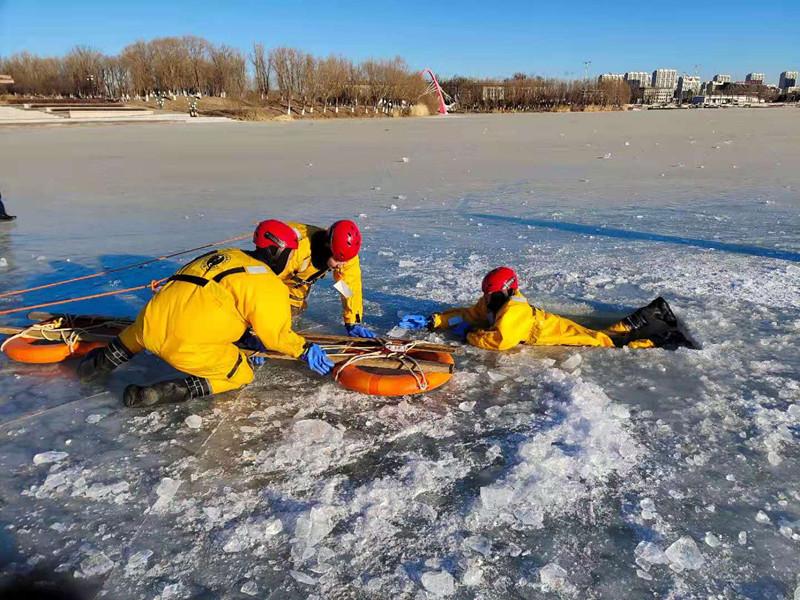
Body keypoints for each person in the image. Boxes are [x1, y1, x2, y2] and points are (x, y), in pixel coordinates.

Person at [77, 220, 334, 407]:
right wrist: (304, 349)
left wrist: (244, 333)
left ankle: (96, 366)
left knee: (143, 330)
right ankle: (163, 392)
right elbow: (276, 336)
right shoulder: (269, 285)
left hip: (147, 323)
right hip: (186, 347)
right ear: (281, 253)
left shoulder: (222, 255)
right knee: (241, 374)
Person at [398, 266, 695, 351]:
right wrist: (435, 320)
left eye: (493, 293)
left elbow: (500, 341)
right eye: (487, 294)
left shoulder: (513, 311)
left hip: (549, 331)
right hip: (547, 325)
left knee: (602, 340)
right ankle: (649, 315)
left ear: (509, 289)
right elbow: (469, 314)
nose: (488, 299)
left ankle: (660, 336)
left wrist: (470, 335)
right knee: (597, 334)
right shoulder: (491, 302)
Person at [278, 219, 376, 338]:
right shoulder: (296, 251)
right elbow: (261, 284)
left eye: (344, 261)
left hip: (298, 281)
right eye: (338, 260)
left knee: (291, 312)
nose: (342, 265)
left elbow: (348, 289)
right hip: (275, 273)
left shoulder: (346, 255)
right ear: (327, 248)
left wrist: (353, 320)